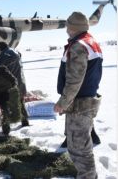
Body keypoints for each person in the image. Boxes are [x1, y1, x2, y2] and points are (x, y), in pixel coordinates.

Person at [53, 12, 103, 179]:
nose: (66, 28)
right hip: (84, 102)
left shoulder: (78, 46)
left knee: (79, 150)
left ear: (73, 28)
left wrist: (63, 102)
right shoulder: (91, 42)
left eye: (68, 25)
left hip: (79, 104)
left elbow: (75, 79)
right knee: (81, 146)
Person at [0, 42, 29, 127]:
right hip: (21, 82)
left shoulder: (3, 56)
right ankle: (25, 121)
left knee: (5, 105)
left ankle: (6, 125)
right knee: (21, 103)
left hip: (10, 84)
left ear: (0, 48)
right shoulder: (16, 53)